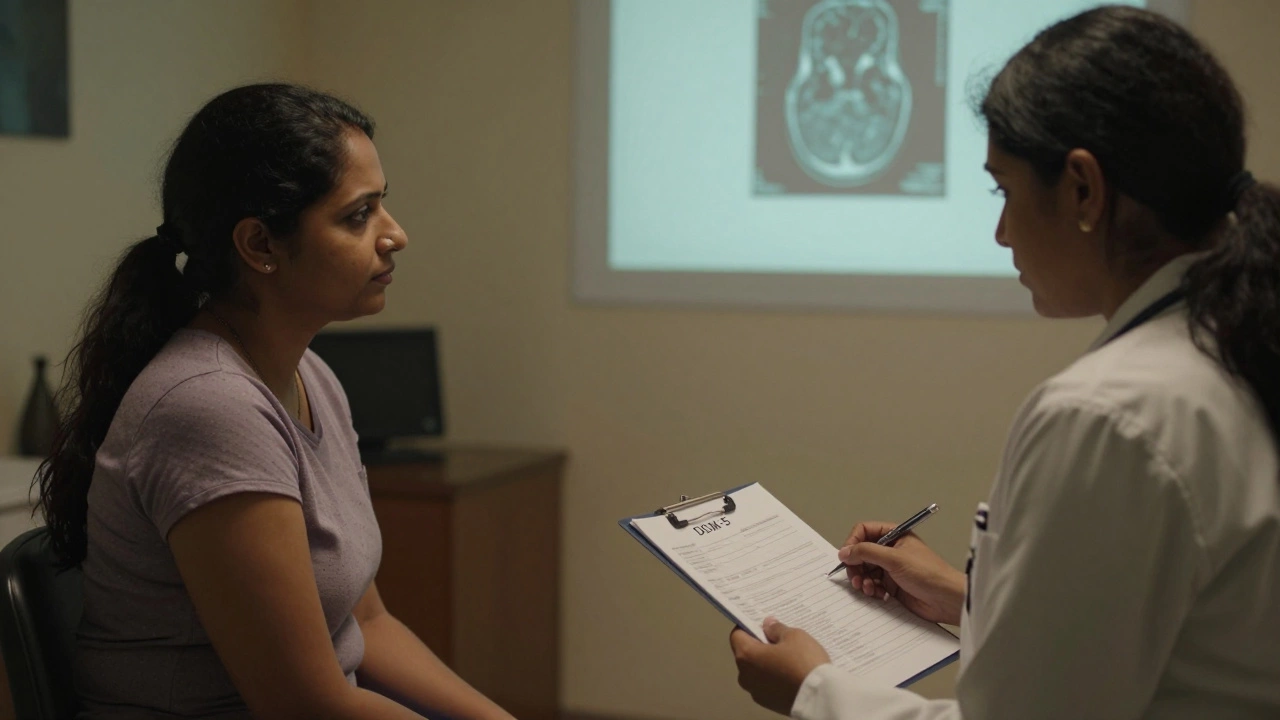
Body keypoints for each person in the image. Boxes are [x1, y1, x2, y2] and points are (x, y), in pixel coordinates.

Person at [729, 6, 1280, 719]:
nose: (999, 232)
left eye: (1004, 190)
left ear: (1083, 190)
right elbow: (1187, 638)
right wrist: (972, 600)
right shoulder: (1237, 344)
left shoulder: (1111, 415)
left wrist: (813, 690)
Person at [36, 83, 514, 720]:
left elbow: (367, 622)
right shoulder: (209, 408)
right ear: (259, 245)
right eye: (357, 215)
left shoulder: (311, 375)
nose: (395, 235)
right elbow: (304, 706)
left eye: (384, 205)